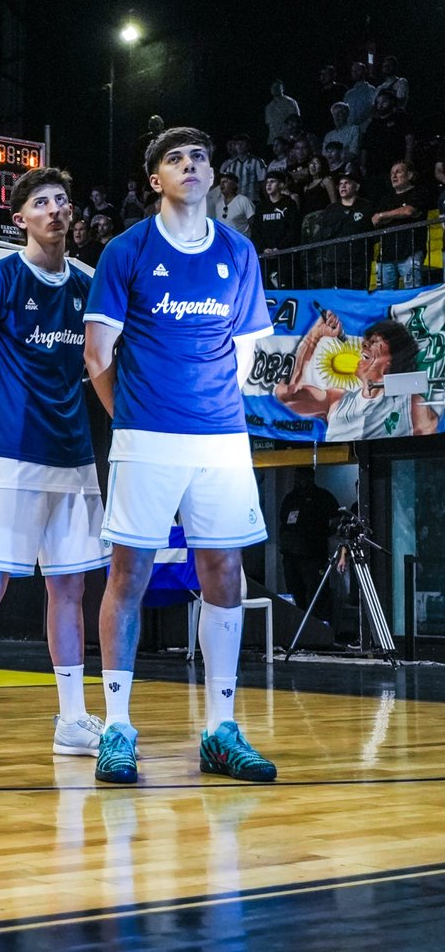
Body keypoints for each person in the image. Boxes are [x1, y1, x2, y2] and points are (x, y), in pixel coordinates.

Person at [84, 126, 278, 784]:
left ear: (213, 172)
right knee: (128, 576)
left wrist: (211, 411)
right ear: (155, 180)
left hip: (221, 437)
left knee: (225, 573)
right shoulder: (125, 250)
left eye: (199, 156)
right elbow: (97, 356)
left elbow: (247, 351)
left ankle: (221, 729)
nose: (190, 165)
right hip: (145, 438)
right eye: (175, 159)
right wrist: (136, 422)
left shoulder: (239, 251)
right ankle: (117, 727)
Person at [0, 166, 108, 769]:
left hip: (74, 458)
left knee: (70, 587)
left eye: (63, 200)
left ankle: (70, 719)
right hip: (9, 458)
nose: (56, 209)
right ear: (21, 219)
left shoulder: (90, 284)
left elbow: (105, 365)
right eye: (42, 202)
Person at [273, 311, 439, 441]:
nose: (365, 344)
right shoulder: (336, 399)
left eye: (375, 342)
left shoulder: (409, 401)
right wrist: (315, 335)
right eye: (367, 340)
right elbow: (287, 394)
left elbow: (428, 434)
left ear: (393, 358)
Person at [278, 468, 339, 610]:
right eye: (296, 477)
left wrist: (324, 533)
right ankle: (297, 626)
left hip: (313, 555)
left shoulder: (322, 496)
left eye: (300, 477)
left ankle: (320, 628)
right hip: (291, 554)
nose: (297, 481)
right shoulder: (290, 498)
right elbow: (283, 521)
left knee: (317, 594)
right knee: (294, 594)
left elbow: (338, 519)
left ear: (310, 478)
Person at [370, 161, 427, 289]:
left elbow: (408, 211)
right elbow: (374, 221)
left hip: (410, 252)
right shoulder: (385, 199)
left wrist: (383, 216)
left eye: (398, 172)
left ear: (410, 175)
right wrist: (396, 214)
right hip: (386, 255)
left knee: (413, 294)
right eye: (391, 173)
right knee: (385, 297)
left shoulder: (419, 192)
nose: (394, 176)